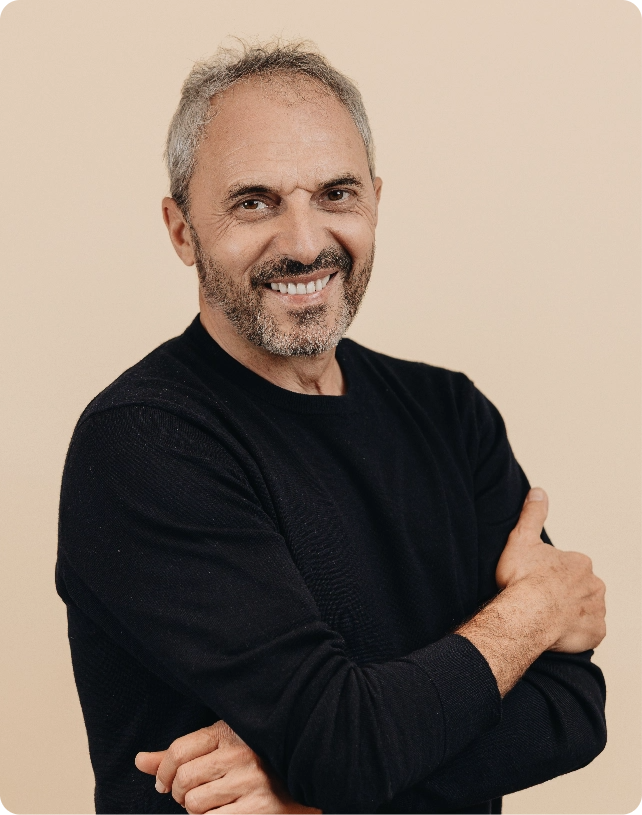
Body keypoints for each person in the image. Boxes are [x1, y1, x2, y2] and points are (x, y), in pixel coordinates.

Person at [56, 40, 607, 815]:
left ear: (375, 199)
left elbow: (575, 710)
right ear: (181, 230)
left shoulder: (453, 413)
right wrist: (532, 612)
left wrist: (310, 780)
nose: (307, 241)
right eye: (255, 201)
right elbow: (345, 747)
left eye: (336, 194)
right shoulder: (144, 442)